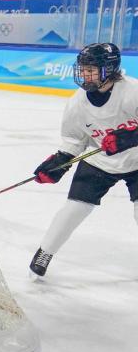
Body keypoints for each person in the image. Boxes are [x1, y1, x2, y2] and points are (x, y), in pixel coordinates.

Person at [29, 42, 138, 278]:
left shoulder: (132, 92)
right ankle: (45, 252)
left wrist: (131, 136)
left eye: (91, 70)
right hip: (100, 161)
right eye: (83, 69)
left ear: (109, 69)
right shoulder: (77, 103)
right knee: (75, 208)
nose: (84, 75)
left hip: (136, 161)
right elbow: (74, 139)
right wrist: (59, 162)